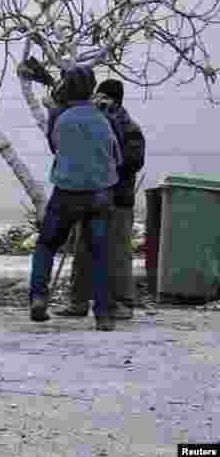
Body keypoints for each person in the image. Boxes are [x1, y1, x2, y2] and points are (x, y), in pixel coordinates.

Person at [30, 65, 122, 331]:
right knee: (100, 255)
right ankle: (104, 315)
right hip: (99, 194)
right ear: (92, 88)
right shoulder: (105, 118)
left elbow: (55, 147)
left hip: (66, 193)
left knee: (47, 245)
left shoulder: (60, 116)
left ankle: (38, 297)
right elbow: (117, 157)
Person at [56, 79, 145, 321]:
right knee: (84, 251)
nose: (99, 103)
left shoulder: (129, 128)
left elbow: (132, 160)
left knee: (117, 253)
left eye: (104, 99)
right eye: (97, 98)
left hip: (117, 200)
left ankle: (123, 302)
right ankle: (78, 302)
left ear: (114, 101)